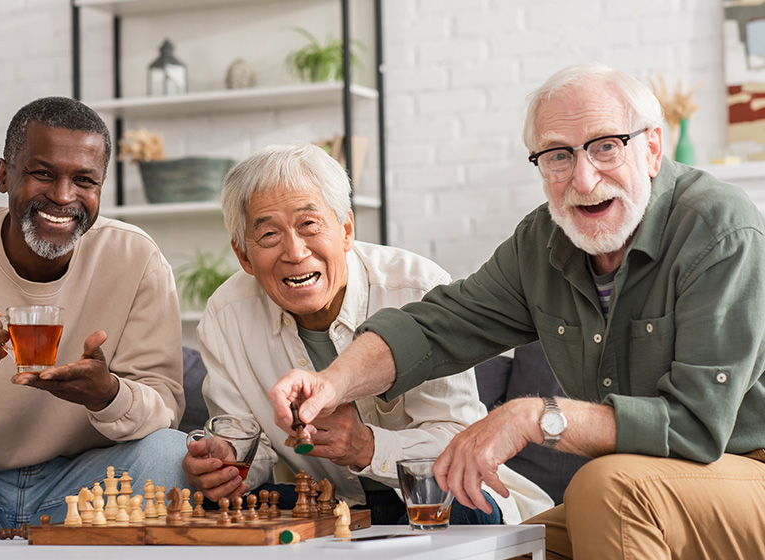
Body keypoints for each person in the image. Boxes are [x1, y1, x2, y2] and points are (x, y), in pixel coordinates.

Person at [269, 64, 765, 558]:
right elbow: (437, 326)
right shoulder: (542, 241)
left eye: (606, 146)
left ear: (653, 148)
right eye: (557, 155)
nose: (585, 179)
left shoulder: (718, 228)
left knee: (605, 488)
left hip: (746, 469)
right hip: (646, 483)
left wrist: (535, 416)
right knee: (503, 546)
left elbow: (696, 428)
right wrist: (333, 383)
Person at [182, 142, 552, 525]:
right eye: (269, 234)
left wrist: (365, 447)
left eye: (308, 225)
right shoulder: (226, 315)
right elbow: (248, 443)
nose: (294, 251)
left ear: (345, 230)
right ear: (243, 255)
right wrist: (225, 461)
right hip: (331, 505)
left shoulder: (416, 289)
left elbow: (456, 441)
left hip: (440, 494)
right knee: (215, 508)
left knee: (462, 509)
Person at [0, 97, 189, 539]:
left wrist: (109, 395)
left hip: (83, 491)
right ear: (4, 175)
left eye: (84, 180)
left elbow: (165, 408)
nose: (63, 197)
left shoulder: (135, 258)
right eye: (42, 173)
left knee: (169, 453)